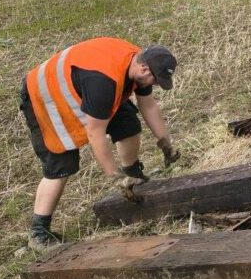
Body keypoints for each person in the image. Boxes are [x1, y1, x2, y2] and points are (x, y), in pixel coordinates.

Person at [19, 38, 179, 249]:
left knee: (128, 123)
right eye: (155, 80)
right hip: (45, 96)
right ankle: (39, 232)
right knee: (61, 165)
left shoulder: (138, 64)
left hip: (83, 88)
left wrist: (165, 142)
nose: (154, 85)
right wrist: (116, 178)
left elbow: (148, 106)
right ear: (143, 69)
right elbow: (96, 134)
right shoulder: (104, 82)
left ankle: (135, 177)